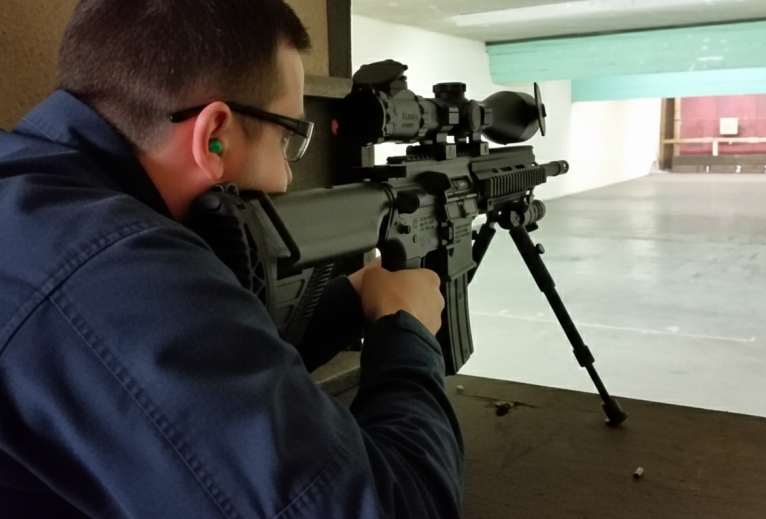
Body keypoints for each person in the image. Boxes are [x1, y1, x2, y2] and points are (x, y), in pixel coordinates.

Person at [0, 1, 464, 517]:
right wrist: (407, 331)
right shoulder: (114, 269)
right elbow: (399, 507)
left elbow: (204, 373)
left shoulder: (30, 192)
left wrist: (351, 300)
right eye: (288, 137)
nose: (286, 179)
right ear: (213, 135)